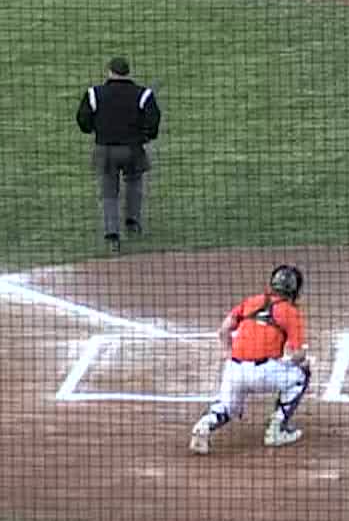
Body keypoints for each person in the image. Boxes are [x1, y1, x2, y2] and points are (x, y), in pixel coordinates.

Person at [189, 265, 312, 452]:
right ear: (294, 289)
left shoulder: (251, 301)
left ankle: (205, 424)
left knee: (227, 407)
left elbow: (224, 330)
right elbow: (297, 354)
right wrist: (296, 360)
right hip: (264, 374)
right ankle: (276, 428)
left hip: (234, 371)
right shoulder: (290, 312)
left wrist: (230, 354)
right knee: (302, 373)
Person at [74, 56, 160, 253]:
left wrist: (95, 130)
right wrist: (146, 135)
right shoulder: (143, 94)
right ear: (128, 72)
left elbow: (83, 119)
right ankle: (133, 222)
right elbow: (153, 120)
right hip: (133, 149)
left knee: (108, 192)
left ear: (110, 72)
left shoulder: (94, 93)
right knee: (134, 183)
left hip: (105, 149)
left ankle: (112, 234)